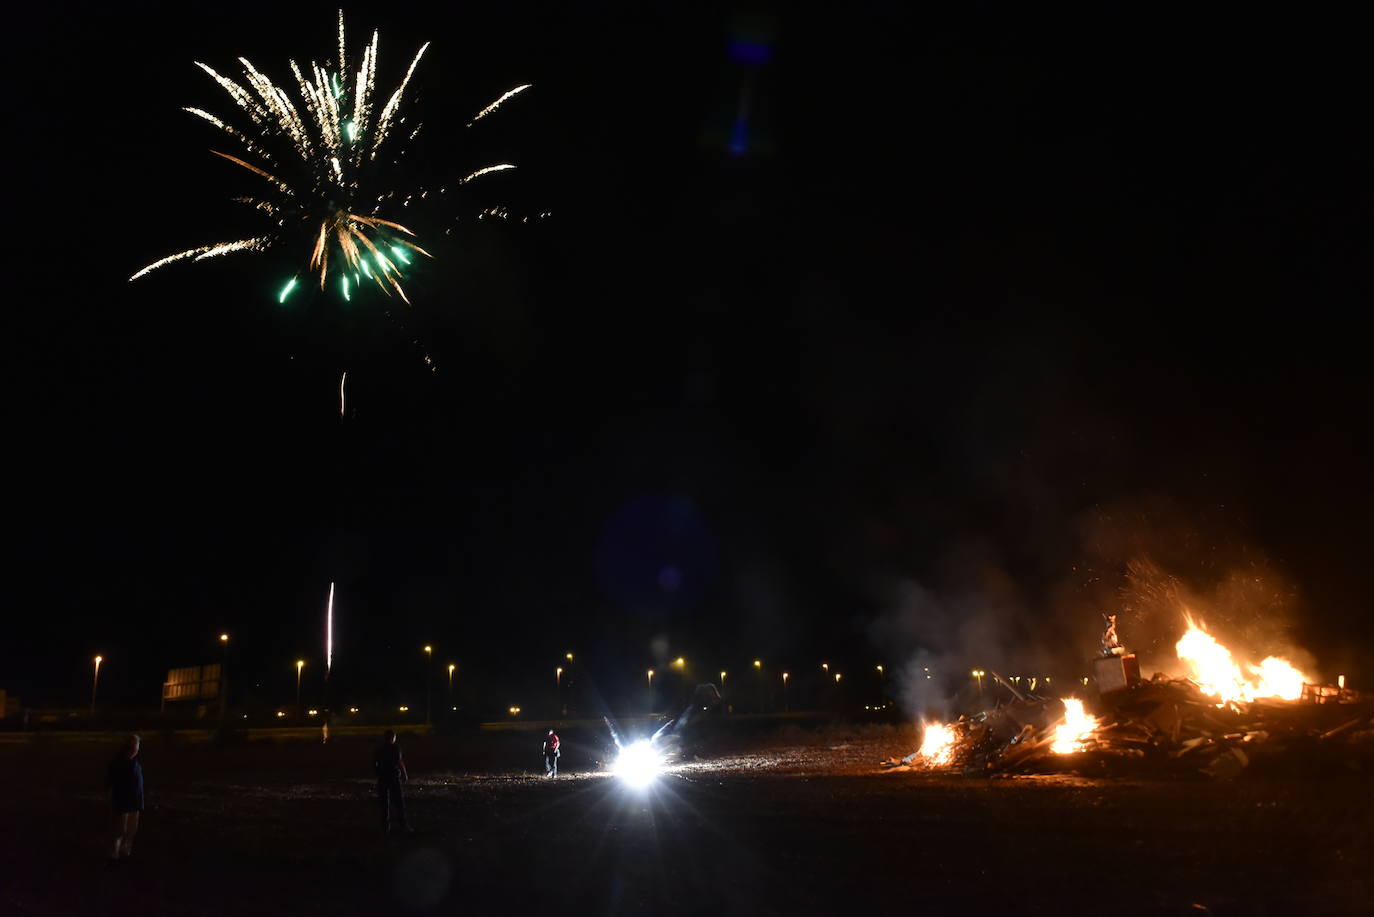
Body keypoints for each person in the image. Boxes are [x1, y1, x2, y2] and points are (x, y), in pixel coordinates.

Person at [106, 734, 143, 864]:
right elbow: (111, 783)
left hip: (133, 803)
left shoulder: (135, 763)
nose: (137, 749)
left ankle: (124, 852)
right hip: (122, 803)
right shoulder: (119, 763)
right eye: (135, 746)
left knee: (130, 830)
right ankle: (114, 855)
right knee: (119, 830)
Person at [373, 729, 409, 835]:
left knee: (384, 803)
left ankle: (385, 826)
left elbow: (374, 763)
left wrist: (378, 773)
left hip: (382, 778)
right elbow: (399, 761)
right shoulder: (395, 748)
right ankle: (403, 825)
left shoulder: (379, 749)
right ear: (393, 737)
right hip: (393, 777)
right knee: (399, 802)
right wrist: (404, 774)